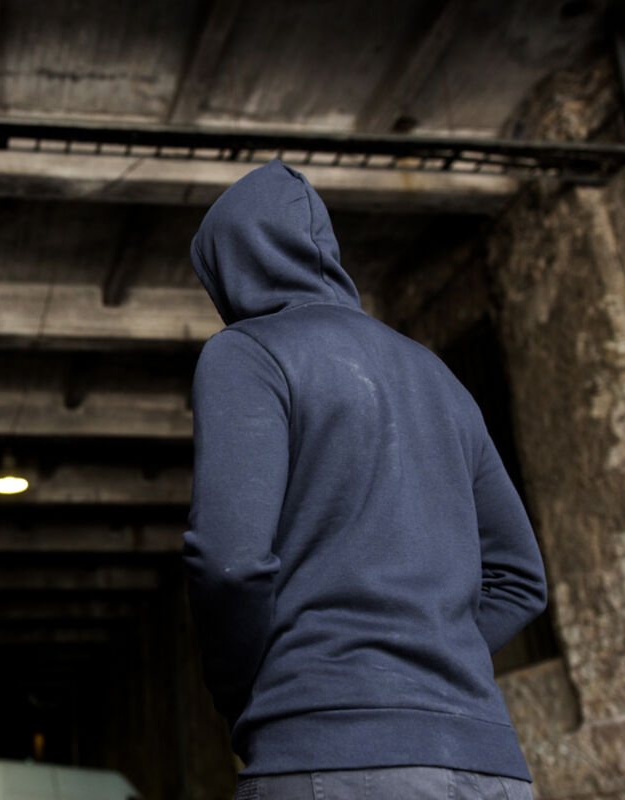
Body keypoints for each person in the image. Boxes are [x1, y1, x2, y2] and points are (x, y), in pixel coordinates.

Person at [184, 162, 547, 800]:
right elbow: (520, 579)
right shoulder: (437, 376)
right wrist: (433, 656)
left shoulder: (247, 352)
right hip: (489, 767)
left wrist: (253, 691)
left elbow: (229, 564)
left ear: (227, 268)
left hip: (332, 756)